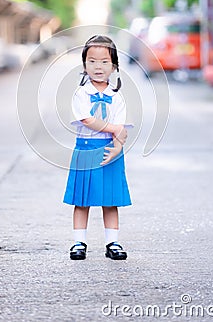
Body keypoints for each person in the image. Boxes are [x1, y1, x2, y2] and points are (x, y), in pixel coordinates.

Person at [63, 34, 132, 260]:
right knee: (82, 201)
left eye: (104, 62)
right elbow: (87, 120)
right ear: (84, 65)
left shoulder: (117, 96)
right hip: (86, 149)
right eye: (92, 61)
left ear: (113, 66)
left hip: (109, 151)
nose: (98, 66)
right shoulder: (81, 94)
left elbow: (122, 128)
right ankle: (78, 243)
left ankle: (112, 243)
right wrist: (114, 130)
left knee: (110, 201)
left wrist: (117, 146)